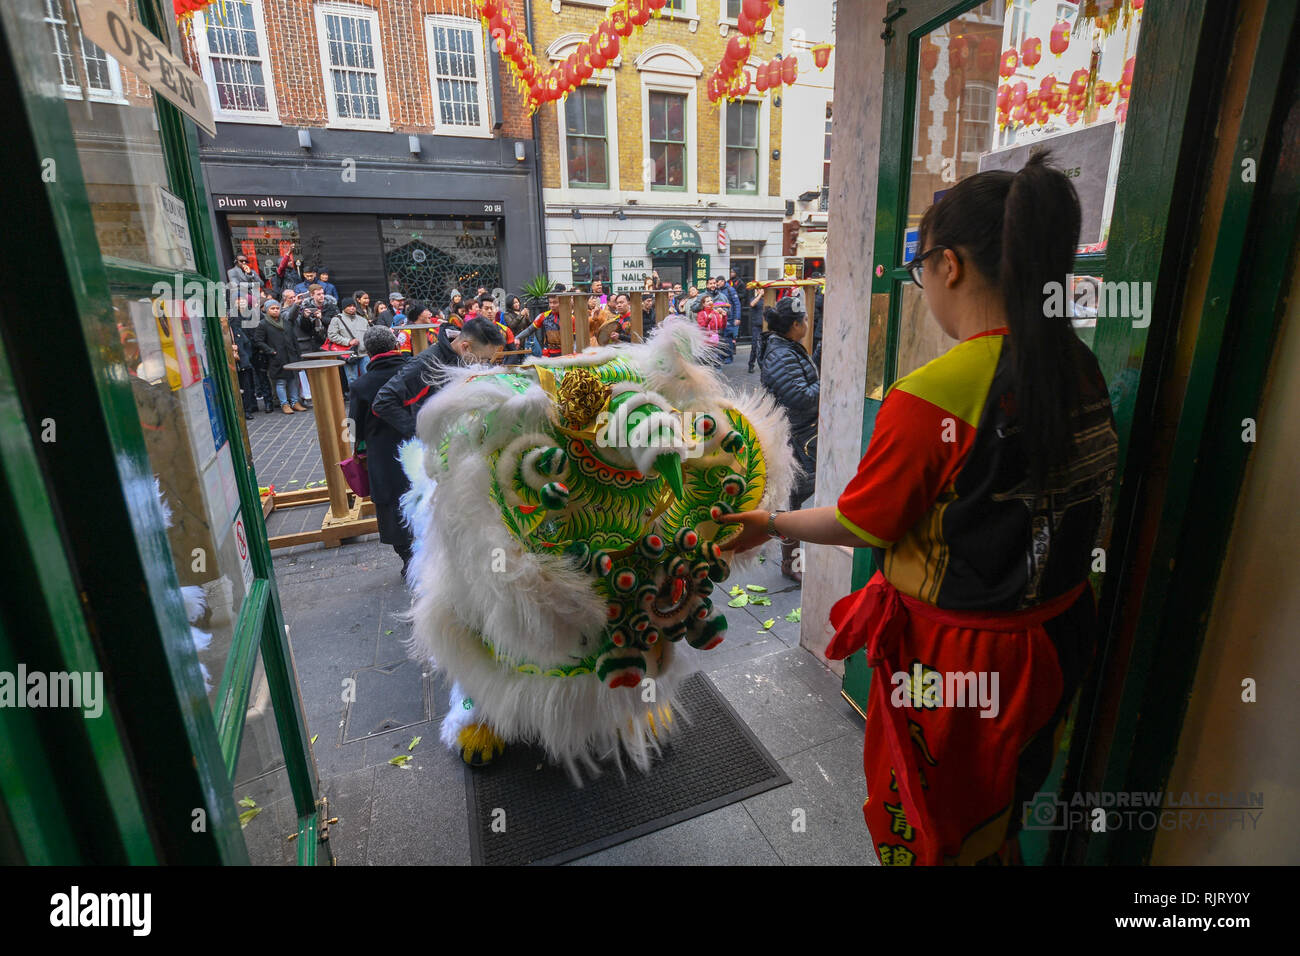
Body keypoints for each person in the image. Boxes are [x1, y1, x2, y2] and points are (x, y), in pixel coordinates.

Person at [720, 152, 1119, 866]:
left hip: (959, 658)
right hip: (1058, 634)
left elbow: (860, 521)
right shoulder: (1076, 364)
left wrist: (771, 522)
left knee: (927, 824)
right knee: (1000, 806)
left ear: (950, 265)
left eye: (919, 270)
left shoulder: (936, 391)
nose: (922, 285)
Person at [756, 296, 819, 581]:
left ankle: (792, 563)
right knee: (791, 502)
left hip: (798, 434)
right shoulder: (781, 353)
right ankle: (792, 564)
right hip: (792, 436)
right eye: (804, 320)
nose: (807, 324)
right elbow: (801, 396)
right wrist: (827, 378)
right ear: (795, 325)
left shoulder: (786, 348)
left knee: (792, 500)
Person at [347, 326, 417, 574]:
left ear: (368, 352)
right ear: (395, 346)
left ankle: (407, 557)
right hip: (418, 445)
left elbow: (354, 427)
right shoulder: (412, 371)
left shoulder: (360, 385)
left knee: (391, 503)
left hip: (383, 455)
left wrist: (355, 448)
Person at [372, 316, 507, 440]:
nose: (484, 364)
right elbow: (383, 400)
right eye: (483, 359)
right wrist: (420, 434)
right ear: (465, 347)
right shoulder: (427, 363)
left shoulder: (463, 353)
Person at [252, 299, 305, 413]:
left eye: (277, 308)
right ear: (266, 310)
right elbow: (258, 341)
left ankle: (295, 402)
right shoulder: (263, 324)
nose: (275, 310)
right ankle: (284, 404)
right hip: (276, 357)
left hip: (290, 355)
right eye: (272, 308)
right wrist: (271, 351)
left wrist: (297, 353)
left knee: (293, 380)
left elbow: (293, 338)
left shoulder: (285, 322)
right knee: (281, 382)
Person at [328, 297, 369, 384]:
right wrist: (348, 342)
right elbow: (332, 335)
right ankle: (355, 397)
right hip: (348, 354)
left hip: (364, 353)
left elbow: (369, 334)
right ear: (344, 307)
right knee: (352, 379)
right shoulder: (337, 319)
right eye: (349, 306)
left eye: (354, 306)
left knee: (368, 377)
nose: (352, 308)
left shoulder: (363, 320)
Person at [747, 287, 767, 372]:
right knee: (755, 346)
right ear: (757, 290)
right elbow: (752, 304)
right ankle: (751, 364)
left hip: (766, 326)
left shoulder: (767, 299)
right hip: (757, 326)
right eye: (760, 289)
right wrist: (759, 295)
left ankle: (764, 365)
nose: (762, 291)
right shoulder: (755, 299)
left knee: (766, 346)